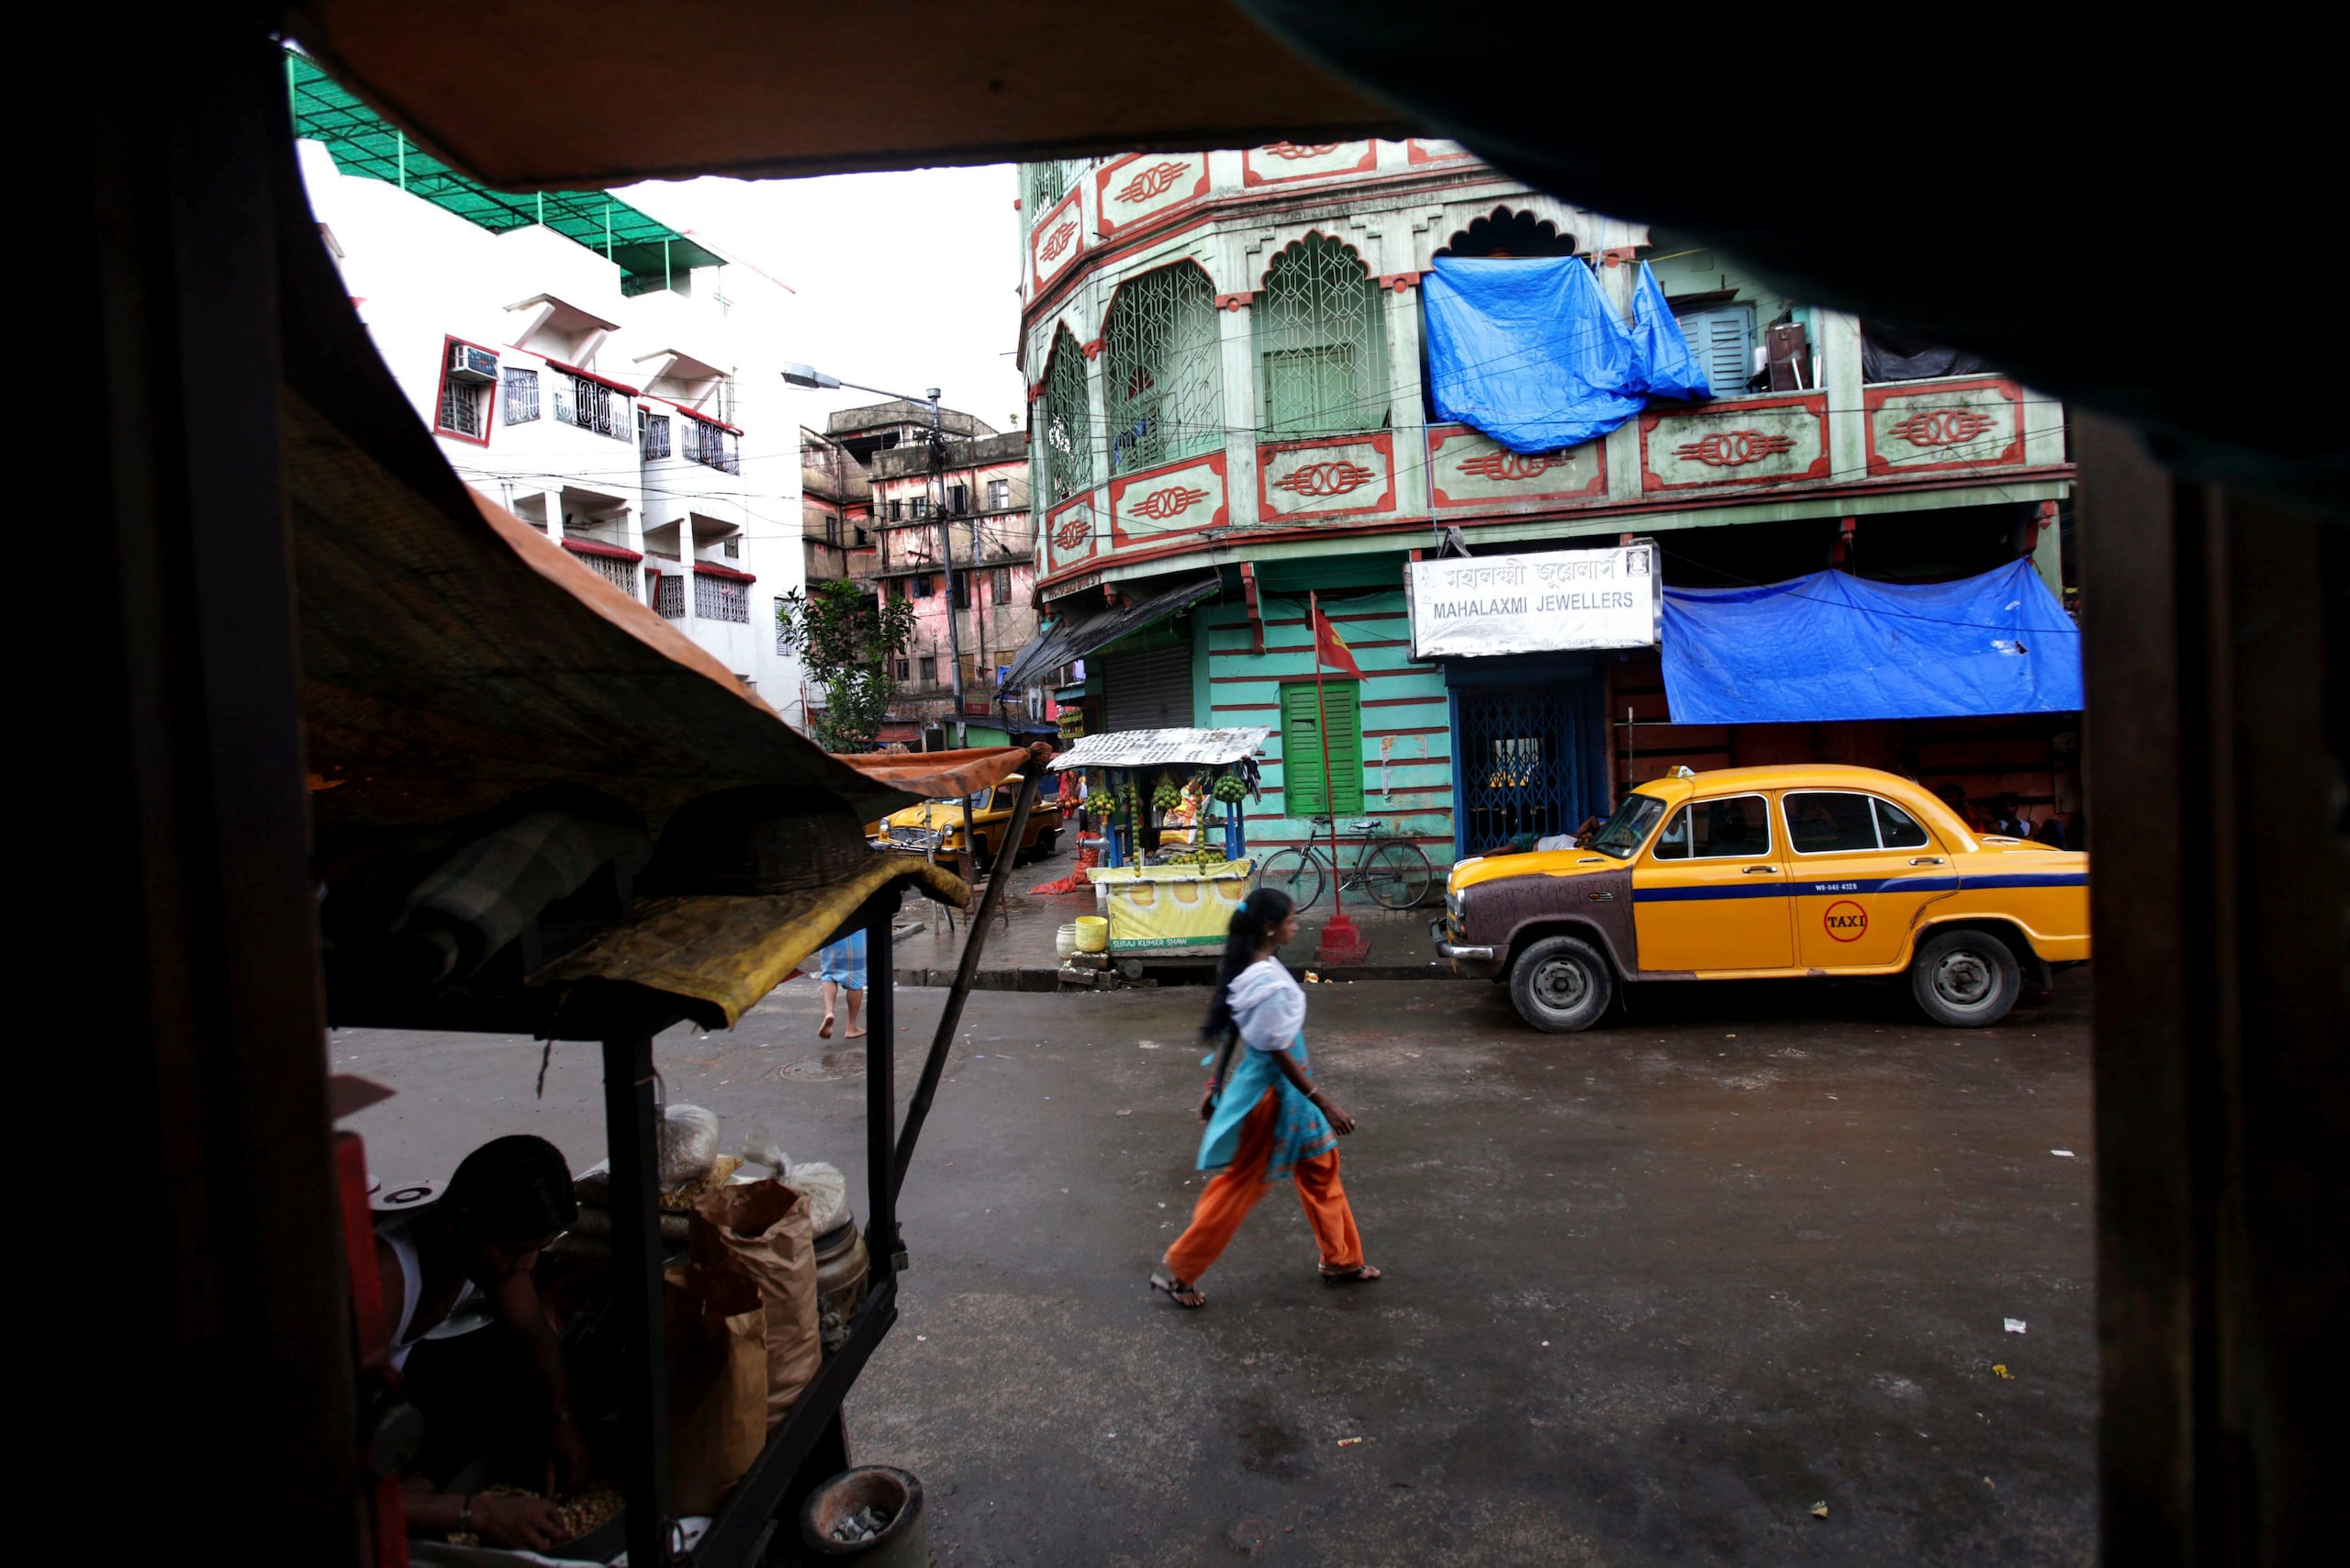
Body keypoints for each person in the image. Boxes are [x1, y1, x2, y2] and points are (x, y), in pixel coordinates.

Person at [1150, 888, 1378, 1309]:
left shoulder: (1254, 967)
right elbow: (1276, 1049)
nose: (1297, 925)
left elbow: (1234, 1028)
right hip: (1274, 1098)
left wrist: (1214, 1086)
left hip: (1290, 1093)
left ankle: (1342, 1260)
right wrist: (1323, 1101)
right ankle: (1176, 1271)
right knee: (1240, 1187)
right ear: (1270, 929)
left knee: (1321, 1167)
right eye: (1292, 920)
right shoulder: (1266, 982)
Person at [375, 1135, 586, 1551]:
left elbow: (534, 1335)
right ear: (458, 1220)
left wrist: (560, 1421)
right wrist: (474, 1512)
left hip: (386, 1409)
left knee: (510, 1373)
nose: (525, 1265)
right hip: (325, 1446)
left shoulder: (489, 1256)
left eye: (536, 1250)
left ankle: (420, 1488)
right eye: (514, 1249)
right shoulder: (380, 1284)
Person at [813, 927, 867, 1039]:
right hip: (856, 934)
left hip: (832, 933)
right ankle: (851, 1028)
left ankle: (829, 1012)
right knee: (855, 980)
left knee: (829, 975)